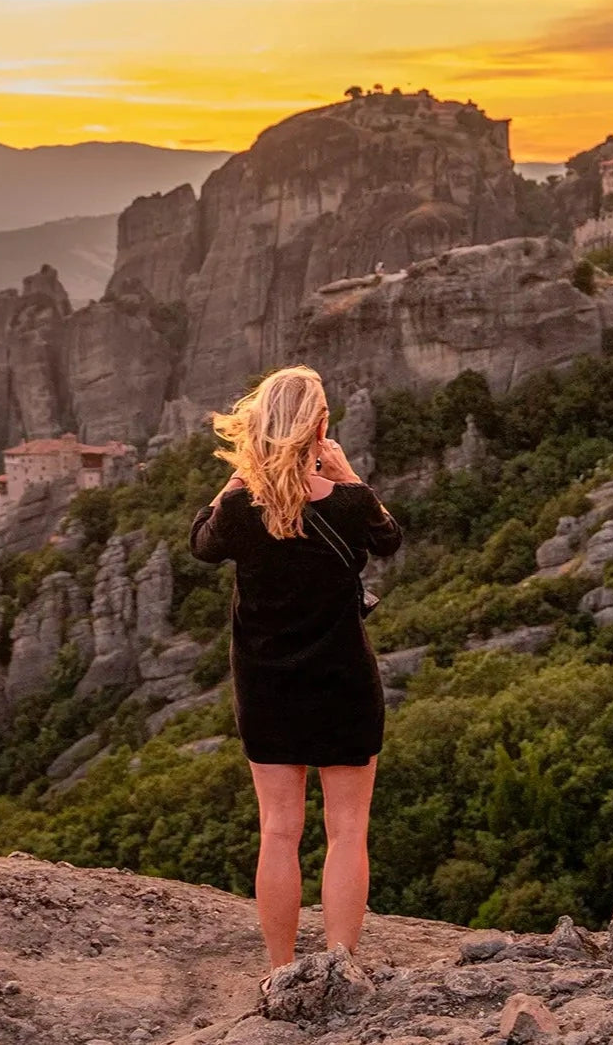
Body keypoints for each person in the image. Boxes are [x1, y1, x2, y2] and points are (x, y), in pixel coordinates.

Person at [189, 364, 402, 994]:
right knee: (347, 831)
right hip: (343, 684)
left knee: (279, 832)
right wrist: (348, 477)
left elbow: (200, 543)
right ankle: (340, 966)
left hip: (267, 690)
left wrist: (237, 478)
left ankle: (280, 973)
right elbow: (389, 539)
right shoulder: (352, 504)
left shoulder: (237, 511)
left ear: (259, 428)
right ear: (320, 427)